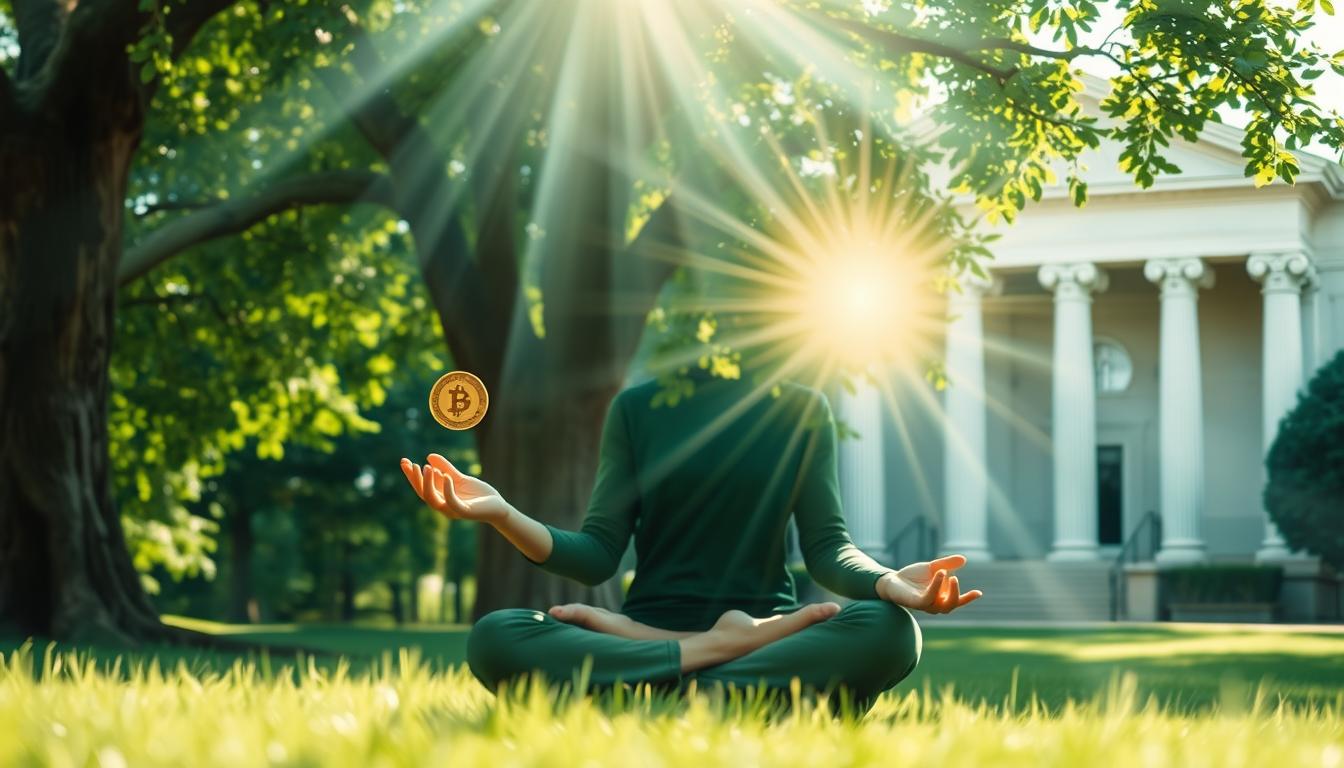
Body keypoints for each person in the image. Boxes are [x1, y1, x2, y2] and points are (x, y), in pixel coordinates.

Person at [399, 368, 982, 714]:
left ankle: (659, 684)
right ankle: (717, 668)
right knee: (497, 636)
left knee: (889, 631)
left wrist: (885, 581)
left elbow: (828, 548)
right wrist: (502, 513)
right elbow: (597, 554)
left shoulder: (801, 408)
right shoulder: (637, 407)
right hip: (745, 644)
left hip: (733, 641)